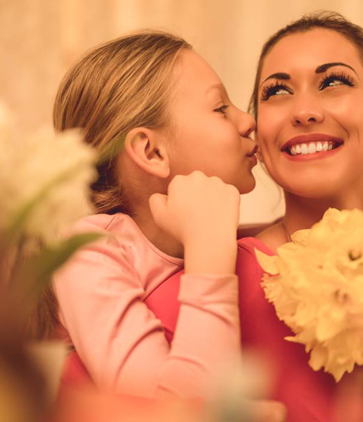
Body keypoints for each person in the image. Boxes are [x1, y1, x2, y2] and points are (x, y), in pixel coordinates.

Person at [152, 12, 363, 420]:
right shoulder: (211, 273)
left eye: (333, 82)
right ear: (258, 137)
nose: (304, 111)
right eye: (277, 91)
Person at [46, 31, 258, 399]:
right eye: (221, 108)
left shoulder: (242, 242)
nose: (248, 120)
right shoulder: (88, 252)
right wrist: (209, 255)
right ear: (151, 152)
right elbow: (166, 411)